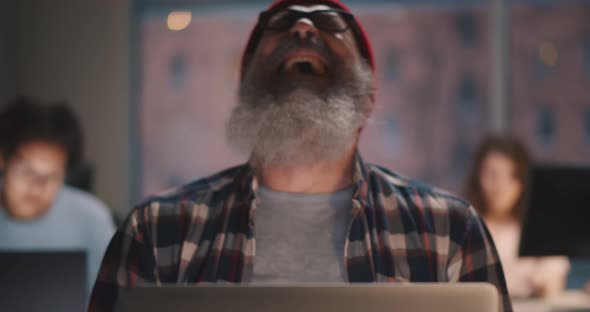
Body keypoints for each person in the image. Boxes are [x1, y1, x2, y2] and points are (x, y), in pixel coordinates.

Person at [90, 1, 512, 311]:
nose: (304, 28)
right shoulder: (156, 231)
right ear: (246, 84)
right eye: (282, 21)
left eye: (329, 22)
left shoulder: (449, 231)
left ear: (368, 95)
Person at [0, 97, 116, 291]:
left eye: (52, 177)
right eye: (26, 172)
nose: (37, 188)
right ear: (3, 160)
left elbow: (117, 298)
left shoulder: (91, 219)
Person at [464, 134, 569, 298]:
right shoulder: (465, 228)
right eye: (492, 174)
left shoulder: (539, 227)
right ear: (477, 176)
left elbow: (553, 279)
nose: (501, 186)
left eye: (512, 176)